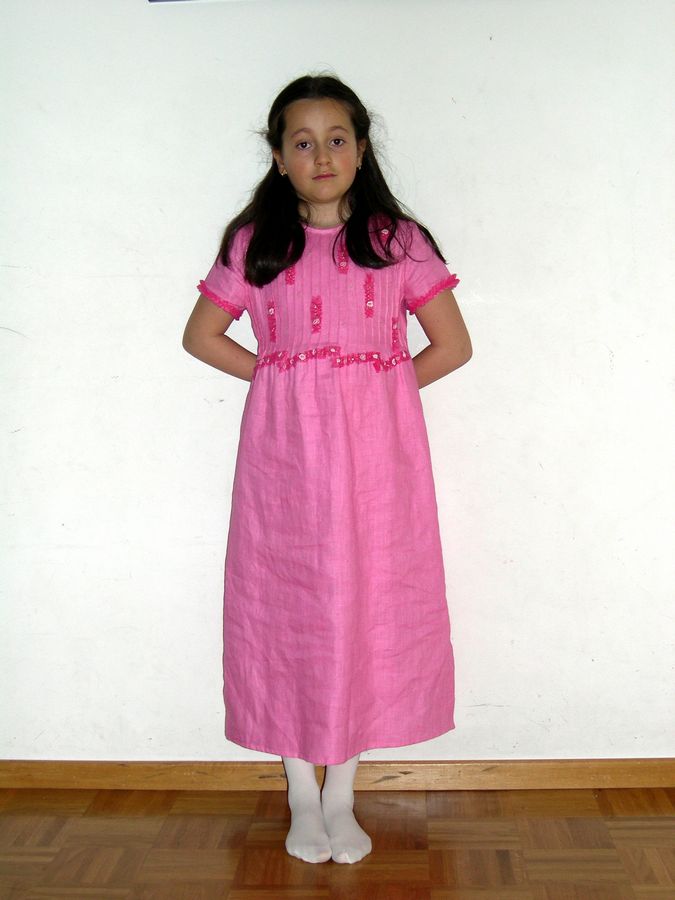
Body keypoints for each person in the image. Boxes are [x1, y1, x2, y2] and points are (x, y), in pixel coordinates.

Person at [182, 73, 472, 866]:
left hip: (378, 465)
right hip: (283, 462)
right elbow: (201, 335)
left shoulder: (395, 242)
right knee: (289, 608)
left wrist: (376, 395)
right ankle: (299, 795)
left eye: (335, 139)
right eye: (301, 142)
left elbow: (452, 345)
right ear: (278, 157)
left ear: (361, 149)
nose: (320, 155)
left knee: (366, 605)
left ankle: (341, 794)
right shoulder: (256, 245)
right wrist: (286, 382)